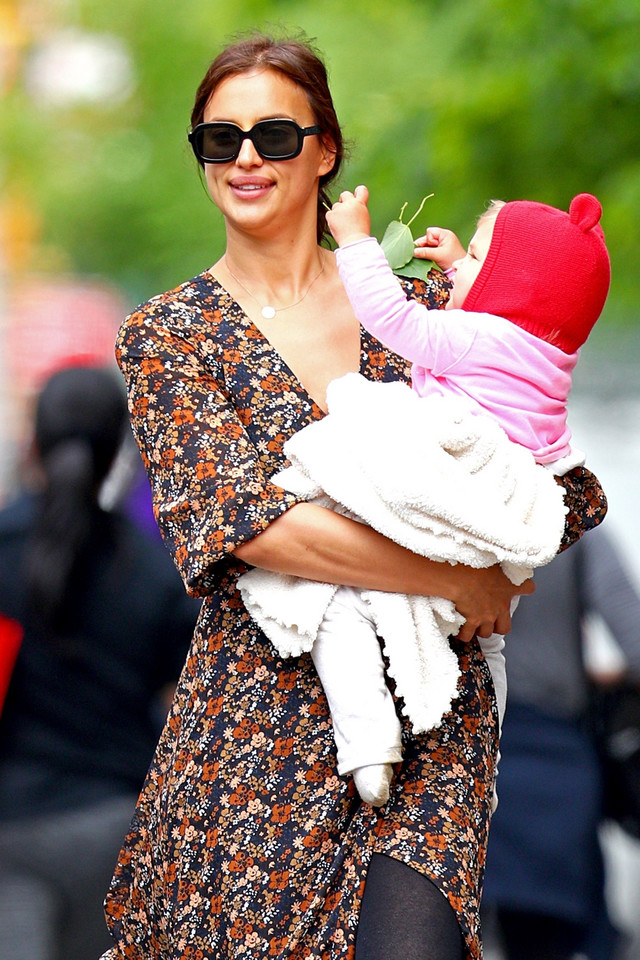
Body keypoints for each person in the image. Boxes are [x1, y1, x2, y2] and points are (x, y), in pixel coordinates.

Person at [102, 32, 607, 960]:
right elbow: (243, 524)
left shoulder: (425, 303)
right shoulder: (167, 335)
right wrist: (453, 576)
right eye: (219, 139)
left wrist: (500, 545)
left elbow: (565, 481)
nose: (245, 158)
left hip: (434, 722)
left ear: (325, 148)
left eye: (273, 136)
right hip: (255, 729)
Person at [239, 186, 609, 808]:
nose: (461, 267)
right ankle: (486, 754)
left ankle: (367, 742)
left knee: (336, 604)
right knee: (485, 645)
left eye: (477, 258)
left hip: (445, 497)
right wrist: (463, 263)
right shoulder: (548, 354)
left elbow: (392, 319)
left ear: (508, 288)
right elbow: (508, 303)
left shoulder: (473, 338)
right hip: (499, 521)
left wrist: (356, 241)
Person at [0, 364, 201, 960]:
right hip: (112, 832)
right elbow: (185, 704)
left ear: (33, 444)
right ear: (119, 450)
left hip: (8, 827)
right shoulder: (155, 571)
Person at [480, 525, 640, 960]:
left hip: (461, 761)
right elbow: (633, 634)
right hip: (552, 763)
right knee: (552, 937)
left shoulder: (432, 518)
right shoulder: (572, 526)